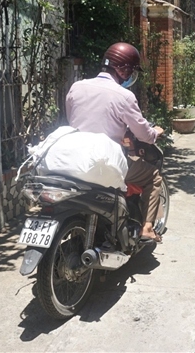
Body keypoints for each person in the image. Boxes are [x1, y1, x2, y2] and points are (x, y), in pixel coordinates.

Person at [66, 42, 166, 243]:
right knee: (153, 176)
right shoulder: (124, 96)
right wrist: (155, 133)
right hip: (106, 162)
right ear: (125, 70)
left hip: (74, 158)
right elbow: (144, 135)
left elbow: (73, 120)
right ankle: (147, 228)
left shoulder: (77, 87)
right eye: (131, 71)